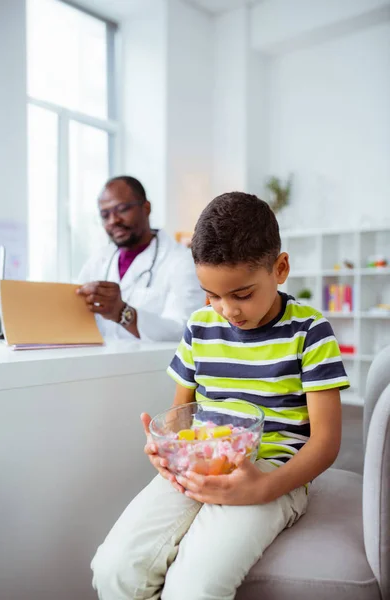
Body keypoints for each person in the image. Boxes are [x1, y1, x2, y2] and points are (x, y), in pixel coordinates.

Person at [90, 192, 350, 600]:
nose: (226, 310)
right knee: (114, 570)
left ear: (279, 269)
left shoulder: (310, 331)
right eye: (210, 294)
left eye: (241, 294)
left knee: (194, 587)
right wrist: (165, 445)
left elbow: (327, 442)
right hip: (201, 462)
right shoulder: (199, 326)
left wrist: (262, 488)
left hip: (274, 470)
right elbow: (181, 412)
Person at [77, 176, 205, 341]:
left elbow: (181, 331)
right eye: (105, 215)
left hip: (152, 366)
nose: (113, 220)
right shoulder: (99, 259)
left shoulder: (181, 261)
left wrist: (122, 312)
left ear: (146, 208)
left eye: (122, 209)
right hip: (101, 362)